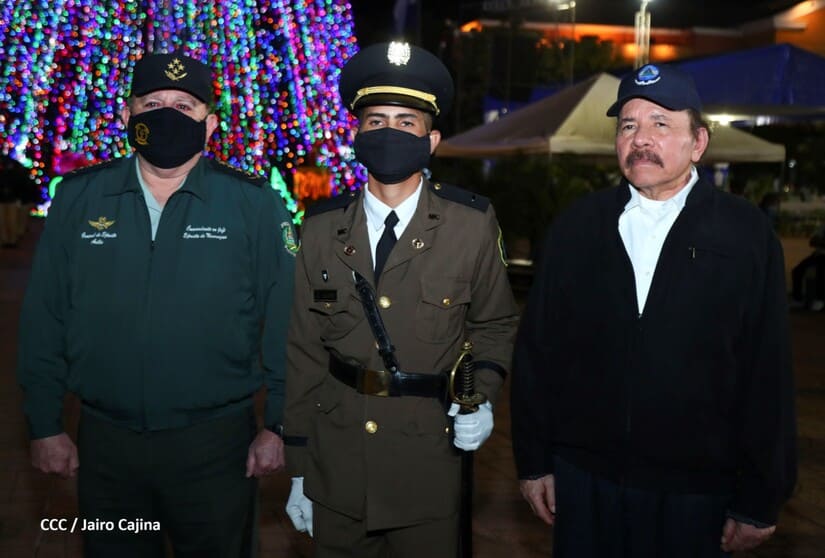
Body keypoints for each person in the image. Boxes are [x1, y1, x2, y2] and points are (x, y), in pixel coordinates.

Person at [17, 50, 296, 557]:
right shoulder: (80, 199)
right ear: (128, 115)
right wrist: (45, 425)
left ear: (209, 124)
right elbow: (44, 316)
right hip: (108, 444)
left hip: (215, 446)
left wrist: (278, 425)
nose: (168, 114)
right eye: (152, 103)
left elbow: (286, 322)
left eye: (184, 106)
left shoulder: (252, 204)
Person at [511, 63, 797, 558]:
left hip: (696, 491)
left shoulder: (744, 234)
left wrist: (760, 495)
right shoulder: (578, 227)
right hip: (586, 481)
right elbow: (538, 353)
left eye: (660, 123)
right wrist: (534, 461)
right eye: (628, 126)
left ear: (698, 142)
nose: (640, 139)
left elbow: (767, 369)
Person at [282, 41, 519, 557]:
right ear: (356, 135)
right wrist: (298, 467)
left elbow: (495, 325)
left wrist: (481, 397)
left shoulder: (470, 225)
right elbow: (303, 352)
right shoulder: (319, 229)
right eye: (376, 121)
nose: (389, 132)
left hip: (426, 463)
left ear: (431, 140)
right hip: (336, 464)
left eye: (406, 122)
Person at [790, 224, 825, 311]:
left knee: (821, 272)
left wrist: (821, 241)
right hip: (818, 255)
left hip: (821, 256)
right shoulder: (823, 227)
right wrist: (820, 242)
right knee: (797, 271)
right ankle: (797, 299)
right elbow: (812, 241)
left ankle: (820, 299)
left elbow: (817, 241)